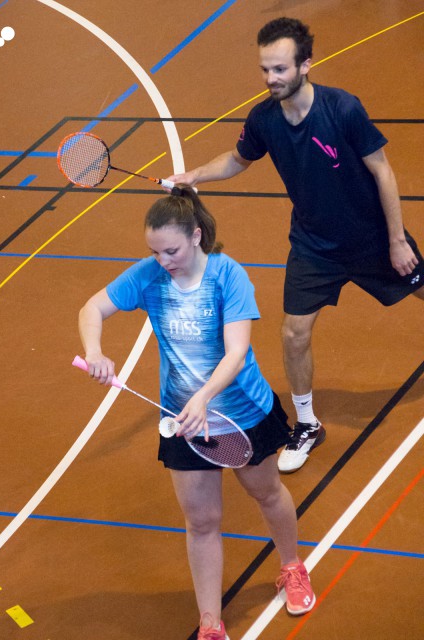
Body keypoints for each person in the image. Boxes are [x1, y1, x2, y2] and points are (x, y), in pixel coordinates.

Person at [167, 17, 424, 474]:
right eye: (265, 69)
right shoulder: (264, 118)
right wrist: (194, 176)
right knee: (293, 332)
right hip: (313, 245)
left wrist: (397, 239)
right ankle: (306, 423)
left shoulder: (342, 109)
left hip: (369, 237)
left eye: (280, 69)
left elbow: (383, 171)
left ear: (306, 64)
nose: (271, 79)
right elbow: (237, 159)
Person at [78, 185, 316, 639]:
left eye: (170, 250)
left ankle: (291, 565)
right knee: (202, 521)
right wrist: (94, 350)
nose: (162, 260)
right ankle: (210, 621)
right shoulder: (150, 275)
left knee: (267, 494)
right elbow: (93, 307)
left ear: (196, 235)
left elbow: (236, 353)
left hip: (243, 413)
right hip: (184, 421)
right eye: (154, 251)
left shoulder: (228, 277)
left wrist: (204, 397)